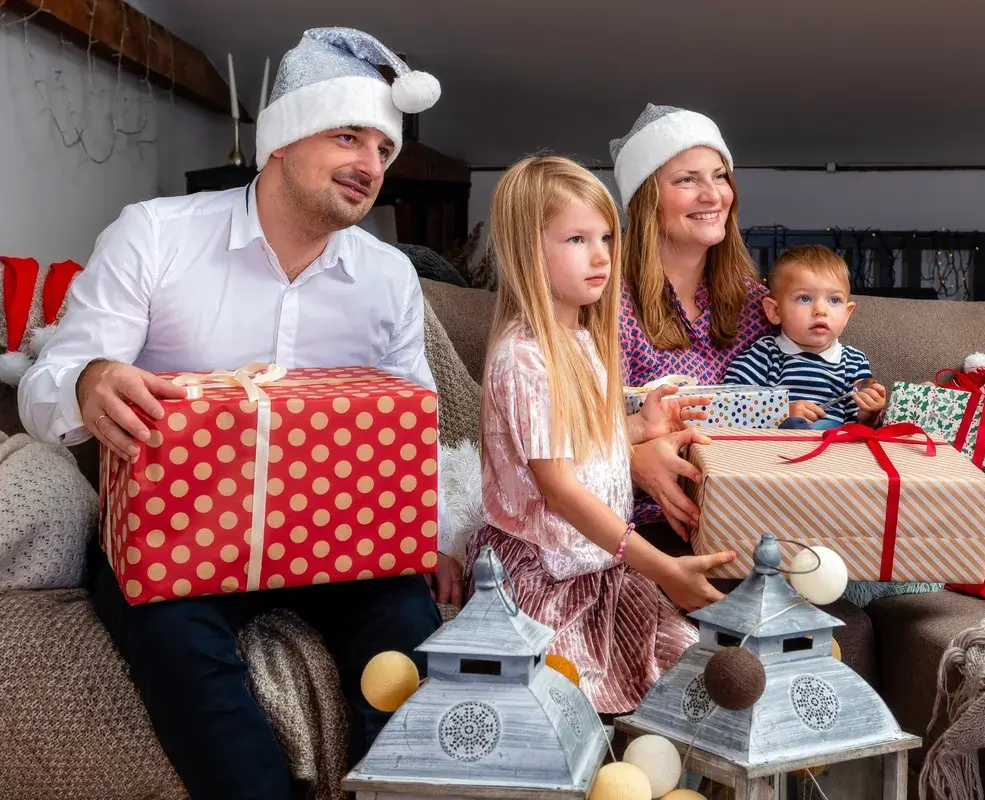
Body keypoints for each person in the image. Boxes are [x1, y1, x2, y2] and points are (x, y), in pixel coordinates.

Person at [18, 27, 458, 800]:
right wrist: (87, 383)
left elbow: (413, 422)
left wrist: (440, 534)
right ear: (284, 139)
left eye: (384, 150)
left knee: (409, 629)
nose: (370, 165)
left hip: (340, 536)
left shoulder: (388, 277)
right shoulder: (154, 235)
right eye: (348, 136)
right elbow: (43, 382)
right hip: (179, 534)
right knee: (169, 635)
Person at [467, 155, 736, 713]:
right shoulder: (524, 359)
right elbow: (561, 491)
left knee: (693, 679)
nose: (600, 255)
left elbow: (583, 442)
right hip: (548, 576)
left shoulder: (584, 342)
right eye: (576, 239)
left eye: (606, 237)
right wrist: (660, 566)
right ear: (527, 251)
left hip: (602, 568)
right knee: (572, 704)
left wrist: (638, 425)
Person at [610, 103, 773, 537]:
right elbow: (561, 429)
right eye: (687, 180)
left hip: (752, 513)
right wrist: (631, 459)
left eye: (720, 176)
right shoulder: (605, 303)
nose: (713, 195)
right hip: (640, 521)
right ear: (647, 199)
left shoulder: (757, 304)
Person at [723, 245, 887, 430]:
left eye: (834, 300)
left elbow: (858, 428)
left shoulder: (853, 362)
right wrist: (780, 413)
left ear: (846, 314)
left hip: (834, 449)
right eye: (805, 299)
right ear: (775, 311)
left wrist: (869, 415)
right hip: (779, 447)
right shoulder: (765, 354)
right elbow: (731, 405)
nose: (821, 310)